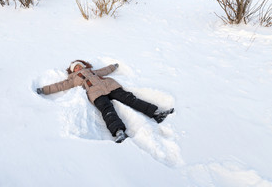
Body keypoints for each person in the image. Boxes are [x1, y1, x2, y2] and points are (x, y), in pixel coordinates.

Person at [36, 60, 174, 143]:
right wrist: (44, 90)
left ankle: (155, 113)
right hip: (95, 93)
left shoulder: (93, 71)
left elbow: (104, 70)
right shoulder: (72, 80)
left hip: (110, 85)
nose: (78, 68)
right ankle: (119, 132)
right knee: (107, 110)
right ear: (72, 71)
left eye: (79, 65)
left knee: (130, 99)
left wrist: (113, 67)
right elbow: (59, 86)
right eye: (75, 68)